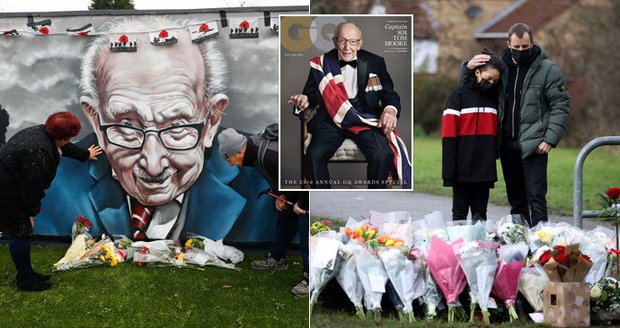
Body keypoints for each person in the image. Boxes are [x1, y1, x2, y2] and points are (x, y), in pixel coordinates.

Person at [34, 18, 277, 243]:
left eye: (177, 127)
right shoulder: (56, 186)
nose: (153, 165)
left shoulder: (261, 181)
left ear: (211, 120)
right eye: (127, 125)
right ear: (96, 120)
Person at [459, 23, 570, 227]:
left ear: (532, 43)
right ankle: (519, 240)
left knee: (536, 197)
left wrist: (549, 140)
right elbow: (470, 89)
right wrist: (468, 68)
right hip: (506, 143)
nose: (521, 51)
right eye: (516, 47)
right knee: (516, 200)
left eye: (525, 47)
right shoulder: (499, 67)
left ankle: (540, 243)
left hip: (535, 145)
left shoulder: (548, 70)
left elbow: (560, 106)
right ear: (508, 43)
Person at [289, 21, 410, 189]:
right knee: (314, 154)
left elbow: (389, 93)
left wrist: (390, 110)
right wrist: (303, 100)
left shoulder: (375, 62)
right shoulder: (322, 64)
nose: (347, 47)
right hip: (331, 119)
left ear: (359, 43)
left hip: (365, 119)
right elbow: (310, 97)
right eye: (342, 40)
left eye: (352, 41)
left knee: (383, 154)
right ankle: (322, 201)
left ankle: (374, 201)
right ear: (334, 41)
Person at [0, 112, 102, 291]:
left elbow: (63, 146)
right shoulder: (40, 151)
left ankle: (27, 273)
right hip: (7, 191)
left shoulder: (43, 133)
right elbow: (31, 188)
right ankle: (24, 279)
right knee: (21, 232)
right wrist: (31, 213)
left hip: (11, 184)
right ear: (62, 137)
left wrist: (85, 154)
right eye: (70, 137)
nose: (71, 139)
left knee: (21, 231)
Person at [218, 127, 309, 297]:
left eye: (229, 159)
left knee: (306, 232)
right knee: (285, 218)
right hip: (296, 186)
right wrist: (283, 195)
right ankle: (276, 258)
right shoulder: (256, 152)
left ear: (240, 151)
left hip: (310, 186)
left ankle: (311, 279)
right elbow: (284, 176)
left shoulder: (269, 155)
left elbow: (305, 174)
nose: (230, 164)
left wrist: (305, 203)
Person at [443, 49, 506, 222]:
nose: (491, 83)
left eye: (495, 81)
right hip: (461, 168)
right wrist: (449, 172)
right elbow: (448, 136)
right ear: (477, 72)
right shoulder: (458, 96)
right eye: (488, 79)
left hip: (484, 169)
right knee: (459, 214)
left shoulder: (495, 99)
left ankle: (478, 249)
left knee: (480, 215)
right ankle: (459, 248)